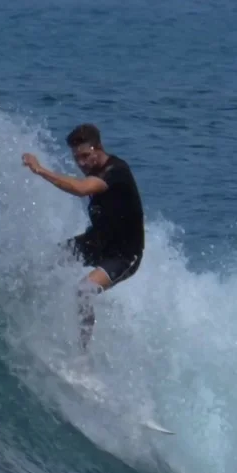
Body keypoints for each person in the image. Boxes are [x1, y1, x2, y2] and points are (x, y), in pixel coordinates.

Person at [22, 123, 144, 351]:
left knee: (84, 289)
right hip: (97, 241)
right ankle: (35, 320)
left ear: (99, 148)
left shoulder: (116, 171)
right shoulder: (95, 169)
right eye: (77, 158)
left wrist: (40, 170)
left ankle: (83, 352)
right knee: (45, 261)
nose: (81, 163)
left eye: (86, 156)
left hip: (125, 254)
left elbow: (81, 188)